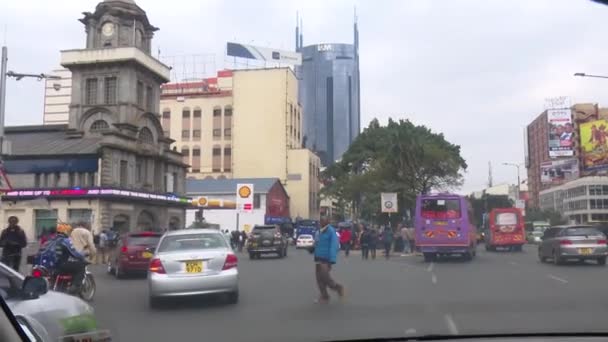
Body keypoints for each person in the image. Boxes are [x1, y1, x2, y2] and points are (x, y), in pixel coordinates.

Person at [36, 223, 87, 294]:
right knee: (81, 266)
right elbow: (74, 253)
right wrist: (83, 255)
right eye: (70, 232)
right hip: (59, 265)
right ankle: (75, 286)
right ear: (66, 232)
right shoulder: (65, 241)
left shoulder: (50, 240)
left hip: (47, 266)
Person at [313, 222, 344, 304]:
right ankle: (325, 296)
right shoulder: (318, 232)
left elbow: (335, 246)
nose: (321, 222)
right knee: (319, 278)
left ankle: (337, 287)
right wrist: (312, 248)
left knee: (325, 276)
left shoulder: (331, 232)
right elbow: (316, 244)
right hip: (318, 258)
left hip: (326, 258)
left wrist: (332, 259)